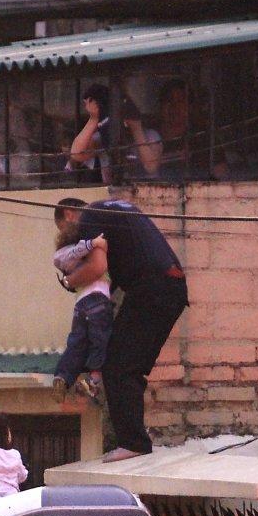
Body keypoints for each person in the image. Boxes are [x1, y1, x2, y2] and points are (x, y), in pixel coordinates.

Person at [54, 197, 188, 463]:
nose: (74, 245)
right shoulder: (115, 209)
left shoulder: (90, 218)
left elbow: (97, 267)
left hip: (151, 289)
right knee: (128, 363)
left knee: (117, 364)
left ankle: (133, 442)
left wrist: (70, 281)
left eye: (66, 235)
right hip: (170, 288)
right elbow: (108, 280)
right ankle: (135, 439)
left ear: (69, 214)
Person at [50, 230, 112, 403]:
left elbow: (59, 259)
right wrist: (95, 243)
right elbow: (85, 253)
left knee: (76, 344)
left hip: (81, 304)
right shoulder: (86, 250)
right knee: (100, 341)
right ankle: (93, 380)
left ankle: (62, 377)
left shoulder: (65, 258)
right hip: (99, 300)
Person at [66, 84, 113, 184]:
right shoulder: (100, 135)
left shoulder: (110, 126)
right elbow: (77, 154)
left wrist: (94, 117)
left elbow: (76, 154)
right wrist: (94, 117)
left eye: (86, 103)